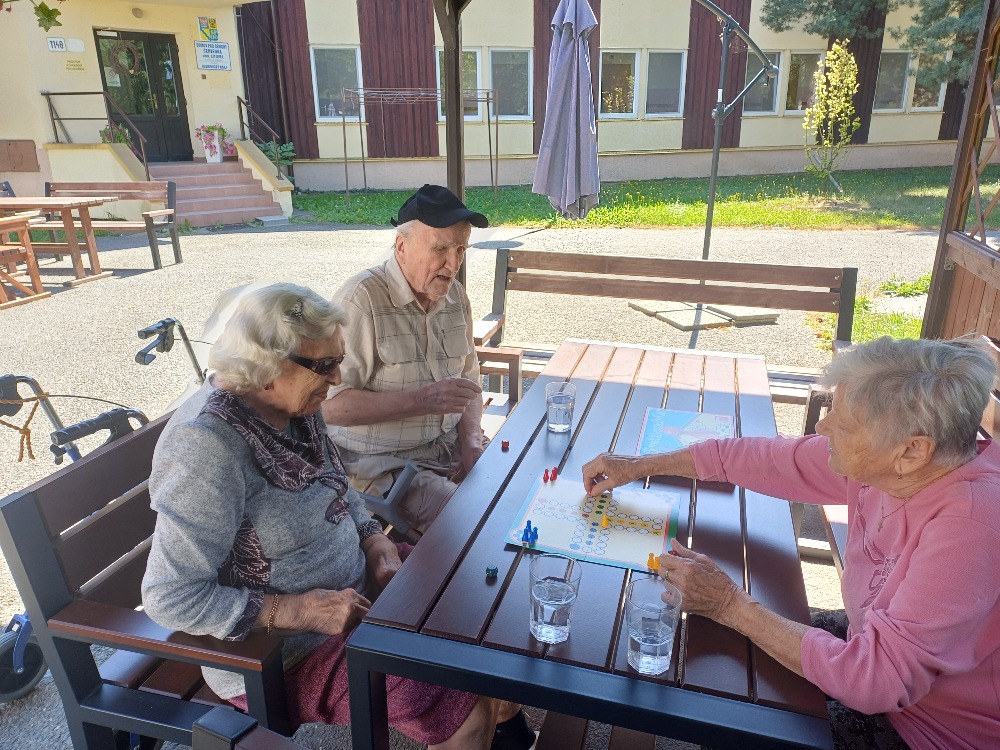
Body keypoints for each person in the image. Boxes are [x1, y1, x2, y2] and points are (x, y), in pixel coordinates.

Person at [141, 283, 535, 750]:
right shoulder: (205, 446)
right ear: (266, 366)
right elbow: (169, 597)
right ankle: (482, 726)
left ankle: (506, 732)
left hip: (356, 590)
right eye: (326, 364)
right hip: (282, 650)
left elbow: (339, 487)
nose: (338, 376)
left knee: (484, 604)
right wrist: (302, 611)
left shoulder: (293, 403)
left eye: (338, 359)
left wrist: (374, 540)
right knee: (456, 698)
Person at [582, 336, 1000, 750]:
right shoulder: (896, 464)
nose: (822, 427)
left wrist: (729, 604)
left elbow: (877, 680)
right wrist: (641, 464)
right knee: (723, 649)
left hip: (926, 728)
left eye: (844, 424)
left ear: (912, 451)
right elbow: (770, 459)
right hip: (871, 643)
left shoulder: (971, 526)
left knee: (738, 709)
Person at [323, 184, 488, 534]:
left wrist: (472, 440)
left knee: (516, 492)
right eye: (441, 248)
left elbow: (470, 381)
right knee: (473, 524)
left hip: (449, 447)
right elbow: (328, 407)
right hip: (385, 466)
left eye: (461, 249)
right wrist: (423, 400)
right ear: (401, 246)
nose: (454, 263)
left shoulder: (455, 296)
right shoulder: (360, 299)